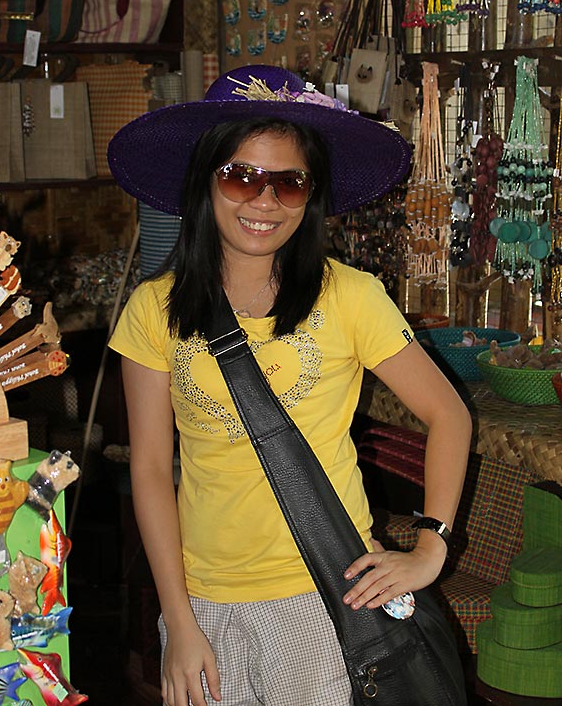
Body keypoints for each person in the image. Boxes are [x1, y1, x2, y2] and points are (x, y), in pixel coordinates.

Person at [107, 64, 472, 706]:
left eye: (289, 183)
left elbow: (449, 415)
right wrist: (179, 621)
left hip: (326, 596)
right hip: (202, 601)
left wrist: (431, 547)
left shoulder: (351, 297)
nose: (264, 201)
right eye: (240, 176)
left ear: (311, 195)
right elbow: (151, 471)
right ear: (205, 181)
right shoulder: (153, 308)